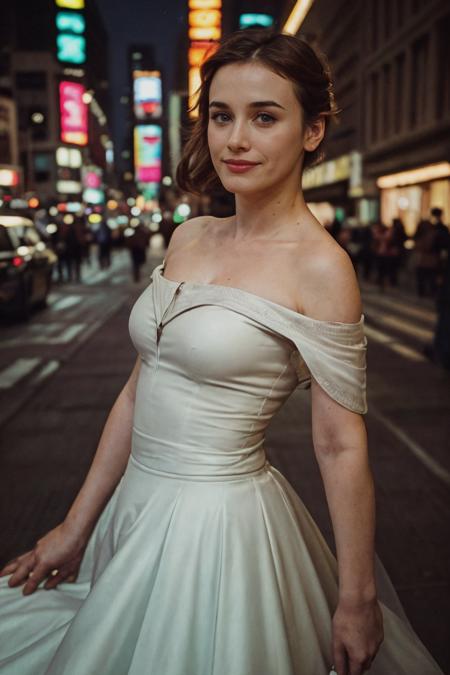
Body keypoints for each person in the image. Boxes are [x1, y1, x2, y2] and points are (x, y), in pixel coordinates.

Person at [0, 29, 443, 675]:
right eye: (220, 115)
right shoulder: (189, 233)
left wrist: (357, 596)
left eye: (265, 117)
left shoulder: (322, 268)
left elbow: (339, 444)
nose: (235, 139)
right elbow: (136, 390)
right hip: (132, 510)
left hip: (216, 530)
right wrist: (75, 524)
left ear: (312, 131)